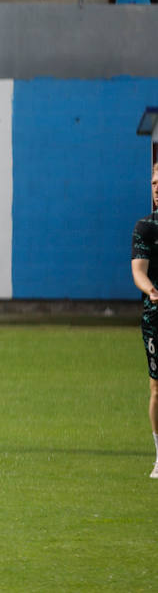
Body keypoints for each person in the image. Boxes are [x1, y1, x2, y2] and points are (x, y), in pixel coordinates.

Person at [127, 165, 158, 479]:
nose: (156, 186)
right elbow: (138, 269)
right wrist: (150, 288)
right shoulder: (145, 227)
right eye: (153, 181)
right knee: (156, 387)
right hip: (155, 316)